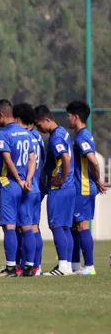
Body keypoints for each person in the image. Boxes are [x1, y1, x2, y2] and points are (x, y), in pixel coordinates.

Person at [0, 100, 36, 278]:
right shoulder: (26, 134)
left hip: (10, 185)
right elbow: (32, 159)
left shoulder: (4, 134)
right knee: (27, 227)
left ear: (1, 115)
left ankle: (10, 267)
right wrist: (28, 180)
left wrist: (17, 179)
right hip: (26, 186)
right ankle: (29, 267)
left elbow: (7, 160)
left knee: (9, 226)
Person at [34, 105, 76, 276]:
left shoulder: (56, 138)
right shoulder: (63, 132)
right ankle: (68, 265)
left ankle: (63, 266)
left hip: (60, 187)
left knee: (57, 225)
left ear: (47, 120)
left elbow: (65, 158)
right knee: (65, 227)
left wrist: (61, 178)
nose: (39, 128)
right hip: (70, 187)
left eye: (39, 125)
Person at [66, 101, 106, 275]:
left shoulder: (82, 138)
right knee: (75, 226)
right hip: (80, 187)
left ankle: (89, 267)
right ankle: (75, 265)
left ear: (75, 117)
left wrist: (98, 179)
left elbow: (93, 160)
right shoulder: (84, 135)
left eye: (68, 115)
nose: (67, 119)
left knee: (82, 226)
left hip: (82, 187)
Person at [13, 103, 45, 276]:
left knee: (24, 228)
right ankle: (36, 266)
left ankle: (28, 265)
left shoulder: (21, 137)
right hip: (36, 187)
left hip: (25, 187)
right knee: (34, 228)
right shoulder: (37, 137)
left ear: (17, 119)